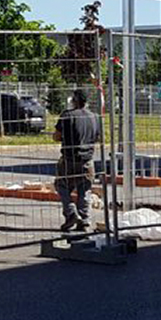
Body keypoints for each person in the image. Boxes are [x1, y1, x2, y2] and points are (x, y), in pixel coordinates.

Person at [53, 89, 100, 232]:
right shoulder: (94, 117)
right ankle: (84, 220)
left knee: (62, 185)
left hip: (69, 158)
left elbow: (56, 136)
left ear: (74, 100)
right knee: (84, 189)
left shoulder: (67, 115)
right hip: (87, 159)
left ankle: (71, 212)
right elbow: (97, 137)